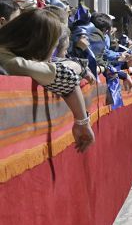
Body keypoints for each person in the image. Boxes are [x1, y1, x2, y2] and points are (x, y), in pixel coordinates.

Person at [0, 9, 94, 152]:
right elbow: (66, 76)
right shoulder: (12, 62)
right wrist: (82, 123)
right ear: (40, 43)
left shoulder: (7, 51)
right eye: (54, 44)